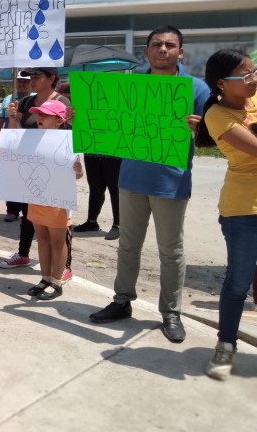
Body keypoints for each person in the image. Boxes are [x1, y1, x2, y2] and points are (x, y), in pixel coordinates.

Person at [89, 25, 208, 344]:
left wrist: (200, 129)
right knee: (128, 244)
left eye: (170, 45)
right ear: (146, 51)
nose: (163, 49)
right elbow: (108, 127)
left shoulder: (196, 89)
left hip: (171, 182)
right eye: (156, 44)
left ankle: (171, 312)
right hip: (130, 179)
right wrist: (82, 119)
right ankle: (121, 300)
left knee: (171, 250)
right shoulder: (130, 86)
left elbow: (212, 138)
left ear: (180, 52)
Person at [195, 49, 257, 378]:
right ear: (222, 83)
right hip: (244, 210)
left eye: (254, 72)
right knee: (238, 282)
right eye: (245, 76)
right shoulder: (217, 115)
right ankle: (226, 345)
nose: (253, 80)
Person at [0, 67, 71, 275]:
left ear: (51, 79)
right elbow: (17, 134)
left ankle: (63, 269)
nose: (32, 80)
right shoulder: (26, 102)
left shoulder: (63, 103)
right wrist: (12, 117)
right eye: (31, 76)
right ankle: (24, 254)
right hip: (31, 167)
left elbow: (69, 136)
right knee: (30, 214)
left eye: (37, 76)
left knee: (59, 225)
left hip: (56, 171)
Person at [19, 100, 84, 300]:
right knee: (43, 239)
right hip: (36, 198)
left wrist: (78, 170)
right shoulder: (32, 140)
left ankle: (56, 282)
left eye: (45, 115)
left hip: (58, 199)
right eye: (39, 114)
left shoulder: (70, 140)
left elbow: (79, 174)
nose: (39, 118)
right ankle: (45, 278)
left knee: (57, 241)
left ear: (59, 120)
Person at [0, 72, 33, 222]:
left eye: (25, 82)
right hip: (10, 146)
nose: (21, 84)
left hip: (29, 145)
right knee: (12, 178)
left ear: (31, 83)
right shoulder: (8, 99)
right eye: (19, 81)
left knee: (29, 177)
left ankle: (28, 210)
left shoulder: (35, 100)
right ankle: (12, 209)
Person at [73, 153, 122, 240]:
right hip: (92, 152)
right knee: (95, 187)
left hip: (114, 153)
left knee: (115, 190)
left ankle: (117, 225)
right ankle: (91, 222)